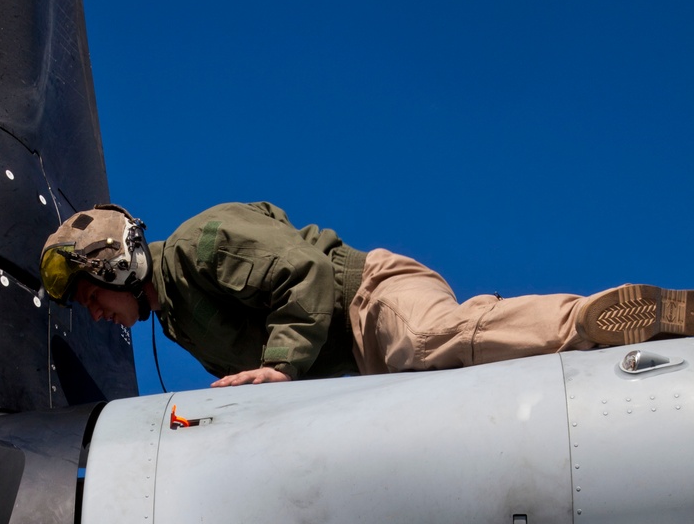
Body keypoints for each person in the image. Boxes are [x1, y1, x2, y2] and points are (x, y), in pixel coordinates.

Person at [39, 201, 694, 387]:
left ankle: (601, 319)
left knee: (433, 340)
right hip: (355, 370)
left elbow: (303, 274)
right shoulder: (180, 326)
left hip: (369, 300)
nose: (93, 310)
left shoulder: (200, 243)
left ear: (118, 265)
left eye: (91, 292)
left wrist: (280, 365)